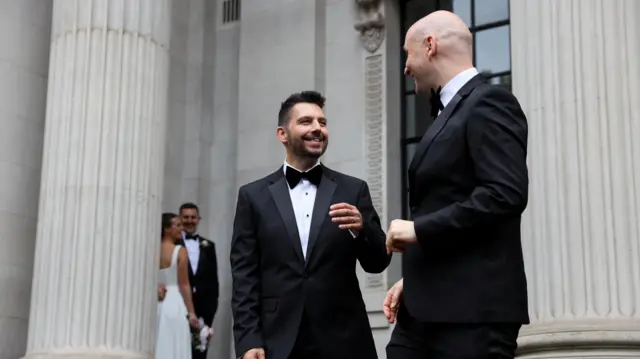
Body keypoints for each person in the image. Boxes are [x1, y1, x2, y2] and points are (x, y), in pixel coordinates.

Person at [384, 10, 530, 359]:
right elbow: (450, 199)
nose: (405, 67)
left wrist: (419, 230)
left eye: (408, 53)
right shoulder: (449, 111)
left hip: (472, 319)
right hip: (427, 312)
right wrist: (419, 281)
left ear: (430, 45)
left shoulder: (490, 102)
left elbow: (504, 195)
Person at [230, 90, 389, 359]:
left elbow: (378, 262)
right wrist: (248, 340)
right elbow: (244, 277)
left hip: (344, 339)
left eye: (322, 123)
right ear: (282, 134)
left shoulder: (353, 189)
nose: (318, 129)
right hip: (276, 341)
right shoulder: (252, 196)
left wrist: (363, 229)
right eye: (306, 121)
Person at [156, 213, 199, 359]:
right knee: (174, 343)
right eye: (177, 225)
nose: (181, 228)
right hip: (174, 302)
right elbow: (184, 284)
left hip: (156, 302)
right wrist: (192, 312)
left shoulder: (151, 249)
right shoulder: (180, 251)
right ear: (167, 229)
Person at [179, 203, 219, 359]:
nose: (189, 221)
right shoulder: (173, 245)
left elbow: (213, 281)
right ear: (180, 219)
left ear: (198, 219)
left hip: (203, 309)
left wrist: (211, 313)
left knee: (200, 352)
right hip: (179, 305)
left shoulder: (209, 246)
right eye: (186, 217)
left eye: (192, 217)